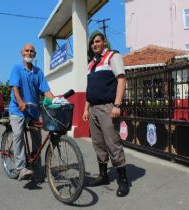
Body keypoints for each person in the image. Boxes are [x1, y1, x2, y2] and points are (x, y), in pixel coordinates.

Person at [82, 32, 129, 197]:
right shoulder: (91, 64)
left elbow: (122, 80)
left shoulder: (112, 56)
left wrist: (117, 104)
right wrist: (86, 109)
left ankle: (123, 180)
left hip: (108, 107)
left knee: (112, 143)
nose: (94, 44)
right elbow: (90, 89)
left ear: (104, 42)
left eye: (97, 41)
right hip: (93, 108)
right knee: (98, 143)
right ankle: (103, 176)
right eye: (92, 42)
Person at [9, 43, 54, 181]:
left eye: (32, 51)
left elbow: (46, 91)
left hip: (33, 111)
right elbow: (14, 88)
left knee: (37, 139)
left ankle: (36, 167)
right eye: (26, 50)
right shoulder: (17, 68)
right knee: (18, 134)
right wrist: (21, 102)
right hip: (18, 110)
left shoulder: (38, 72)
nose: (29, 53)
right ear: (21, 53)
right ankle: (21, 167)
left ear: (34, 55)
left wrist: (57, 101)